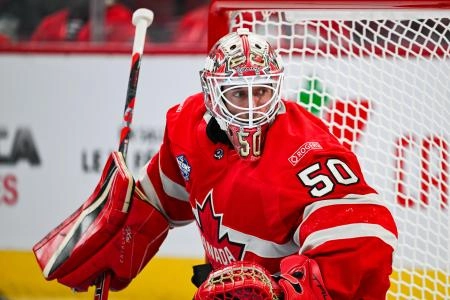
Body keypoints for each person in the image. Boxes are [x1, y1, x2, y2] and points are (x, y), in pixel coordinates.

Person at [33, 28, 398, 299]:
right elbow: (163, 196)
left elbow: (367, 240)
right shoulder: (188, 127)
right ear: (212, 94)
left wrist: (287, 294)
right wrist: (123, 227)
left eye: (262, 91)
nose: (253, 106)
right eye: (238, 93)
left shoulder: (308, 153)